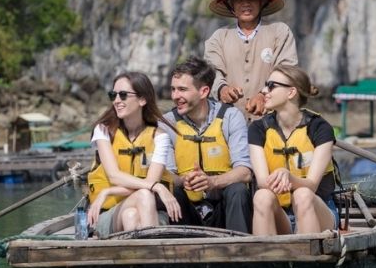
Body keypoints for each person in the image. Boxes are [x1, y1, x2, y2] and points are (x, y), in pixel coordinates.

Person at [85, 71, 182, 237]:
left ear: (142, 100)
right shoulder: (103, 131)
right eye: (113, 95)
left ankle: (139, 261)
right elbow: (114, 176)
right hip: (109, 214)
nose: (116, 101)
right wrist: (157, 187)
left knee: (131, 215)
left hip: (148, 210)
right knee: (145, 193)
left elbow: (149, 182)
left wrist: (108, 192)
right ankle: (155, 256)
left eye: (123, 95)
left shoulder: (160, 137)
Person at [248, 64, 340, 236]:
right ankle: (264, 260)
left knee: (303, 194)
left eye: (271, 86)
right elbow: (262, 181)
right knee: (261, 196)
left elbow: (311, 185)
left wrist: (288, 176)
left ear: (291, 93)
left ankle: (310, 260)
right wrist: (279, 178)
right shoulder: (257, 129)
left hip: (319, 211)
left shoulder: (320, 128)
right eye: (266, 84)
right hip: (280, 214)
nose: (263, 90)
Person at [165, 56, 253, 233]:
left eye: (182, 90)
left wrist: (212, 182)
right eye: (173, 89)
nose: (175, 96)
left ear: (204, 91)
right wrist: (184, 180)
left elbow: (245, 172)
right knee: (172, 192)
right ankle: (179, 253)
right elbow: (168, 175)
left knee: (238, 190)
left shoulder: (231, 117)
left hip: (223, 204)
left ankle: (241, 252)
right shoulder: (166, 123)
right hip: (186, 208)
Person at [204, 0, 298, 118]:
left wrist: (263, 95)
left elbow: (287, 71)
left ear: (262, 3)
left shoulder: (280, 32)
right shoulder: (219, 37)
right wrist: (223, 89)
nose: (246, 4)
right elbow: (212, 71)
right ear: (231, 5)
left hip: (272, 119)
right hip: (227, 120)